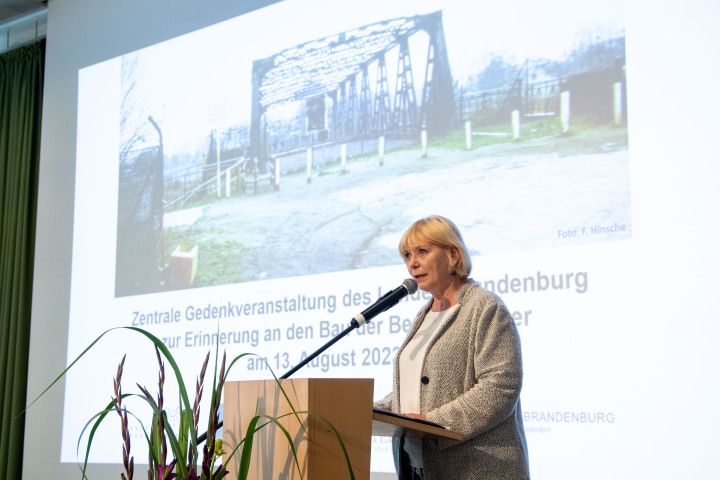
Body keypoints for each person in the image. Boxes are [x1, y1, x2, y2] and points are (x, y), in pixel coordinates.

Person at [374, 215, 530, 479]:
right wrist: (372, 408)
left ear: (453, 254)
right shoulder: (424, 315)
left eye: (422, 251)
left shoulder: (485, 308)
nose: (412, 263)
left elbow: (500, 387)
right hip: (418, 466)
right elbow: (417, 387)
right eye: (407, 255)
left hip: (477, 469)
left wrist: (434, 422)